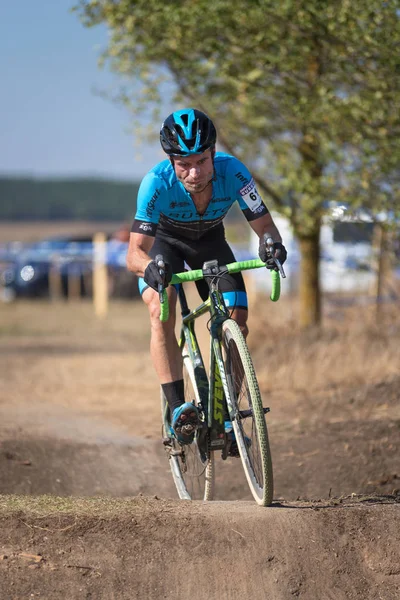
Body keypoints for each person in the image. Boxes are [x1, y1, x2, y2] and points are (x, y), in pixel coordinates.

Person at [126, 108, 287, 445]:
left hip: (210, 243)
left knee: (237, 319)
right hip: (165, 247)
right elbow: (134, 253)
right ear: (171, 161)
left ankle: (228, 412)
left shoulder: (236, 173)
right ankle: (177, 410)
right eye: (184, 164)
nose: (194, 172)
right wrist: (151, 269)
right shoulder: (155, 184)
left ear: (214, 153)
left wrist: (271, 245)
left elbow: (265, 227)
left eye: (201, 160)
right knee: (161, 304)